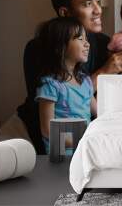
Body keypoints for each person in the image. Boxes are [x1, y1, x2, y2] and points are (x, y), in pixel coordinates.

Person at [17, 0, 122, 153]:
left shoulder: (106, 43)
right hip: (46, 135)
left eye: (97, 2)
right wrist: (105, 71)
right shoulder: (39, 48)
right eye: (87, 4)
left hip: (87, 130)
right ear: (65, 13)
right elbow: (51, 105)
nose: (98, 10)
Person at [35, 17, 96, 155]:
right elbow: (47, 131)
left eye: (86, 39)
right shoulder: (51, 85)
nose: (87, 44)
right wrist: (81, 141)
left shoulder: (85, 81)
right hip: (63, 154)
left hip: (85, 149)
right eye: (80, 39)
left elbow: (100, 112)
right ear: (60, 46)